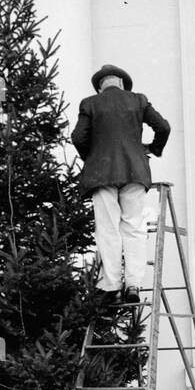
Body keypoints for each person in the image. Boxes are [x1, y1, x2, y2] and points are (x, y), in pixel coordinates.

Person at [70, 64, 171, 307]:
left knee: (108, 228)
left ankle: (111, 284)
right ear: (122, 83)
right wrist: (152, 148)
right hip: (135, 171)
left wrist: (93, 158)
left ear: (100, 87)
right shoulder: (138, 100)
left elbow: (78, 137)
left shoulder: (89, 103)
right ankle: (133, 284)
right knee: (134, 227)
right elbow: (164, 127)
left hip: (102, 174)